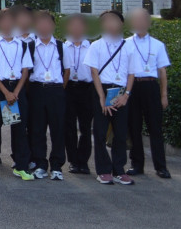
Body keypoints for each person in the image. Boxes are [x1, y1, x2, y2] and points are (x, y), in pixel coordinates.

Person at [88, 10, 142, 185]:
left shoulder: (129, 46)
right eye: (106, 21)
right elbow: (94, 72)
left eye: (115, 21)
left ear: (121, 23)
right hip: (101, 90)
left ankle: (119, 169)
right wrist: (101, 97)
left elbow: (132, 73)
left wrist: (127, 95)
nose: (111, 24)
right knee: (100, 132)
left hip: (121, 92)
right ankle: (103, 170)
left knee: (120, 133)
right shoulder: (96, 45)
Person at [0, 9, 34, 180]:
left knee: (19, 129)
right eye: (3, 21)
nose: (7, 24)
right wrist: (5, 92)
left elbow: (25, 71)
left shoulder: (23, 44)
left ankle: (21, 166)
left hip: (17, 89)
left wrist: (15, 92)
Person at [126, 8, 172, 179]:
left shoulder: (158, 45)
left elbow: (162, 72)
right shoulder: (126, 44)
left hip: (151, 86)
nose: (139, 23)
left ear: (148, 22)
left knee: (155, 129)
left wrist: (163, 95)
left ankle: (161, 166)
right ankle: (137, 164)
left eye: (142, 20)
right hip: (133, 88)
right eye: (135, 20)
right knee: (134, 127)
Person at [27, 10, 69, 181]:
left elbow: (67, 70)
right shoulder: (30, 47)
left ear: (52, 25)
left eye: (47, 23)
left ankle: (57, 165)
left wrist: (58, 87)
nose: (44, 27)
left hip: (56, 90)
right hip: (37, 89)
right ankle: (40, 164)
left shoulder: (61, 46)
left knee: (58, 129)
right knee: (37, 129)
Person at [63, 14, 94, 175]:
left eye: (79, 25)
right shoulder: (62, 47)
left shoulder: (92, 47)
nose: (76, 29)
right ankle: (73, 161)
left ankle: (84, 161)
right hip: (68, 88)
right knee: (69, 128)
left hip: (86, 89)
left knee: (86, 128)